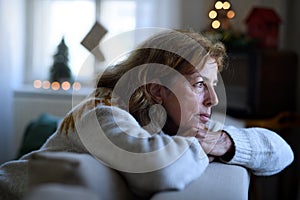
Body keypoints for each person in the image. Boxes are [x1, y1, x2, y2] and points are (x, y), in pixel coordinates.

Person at [0, 29, 294, 199]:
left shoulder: (176, 121)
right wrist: (199, 145)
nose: (214, 100)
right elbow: (160, 170)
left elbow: (282, 153)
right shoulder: (101, 114)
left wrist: (225, 142)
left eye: (214, 86)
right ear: (157, 90)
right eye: (200, 85)